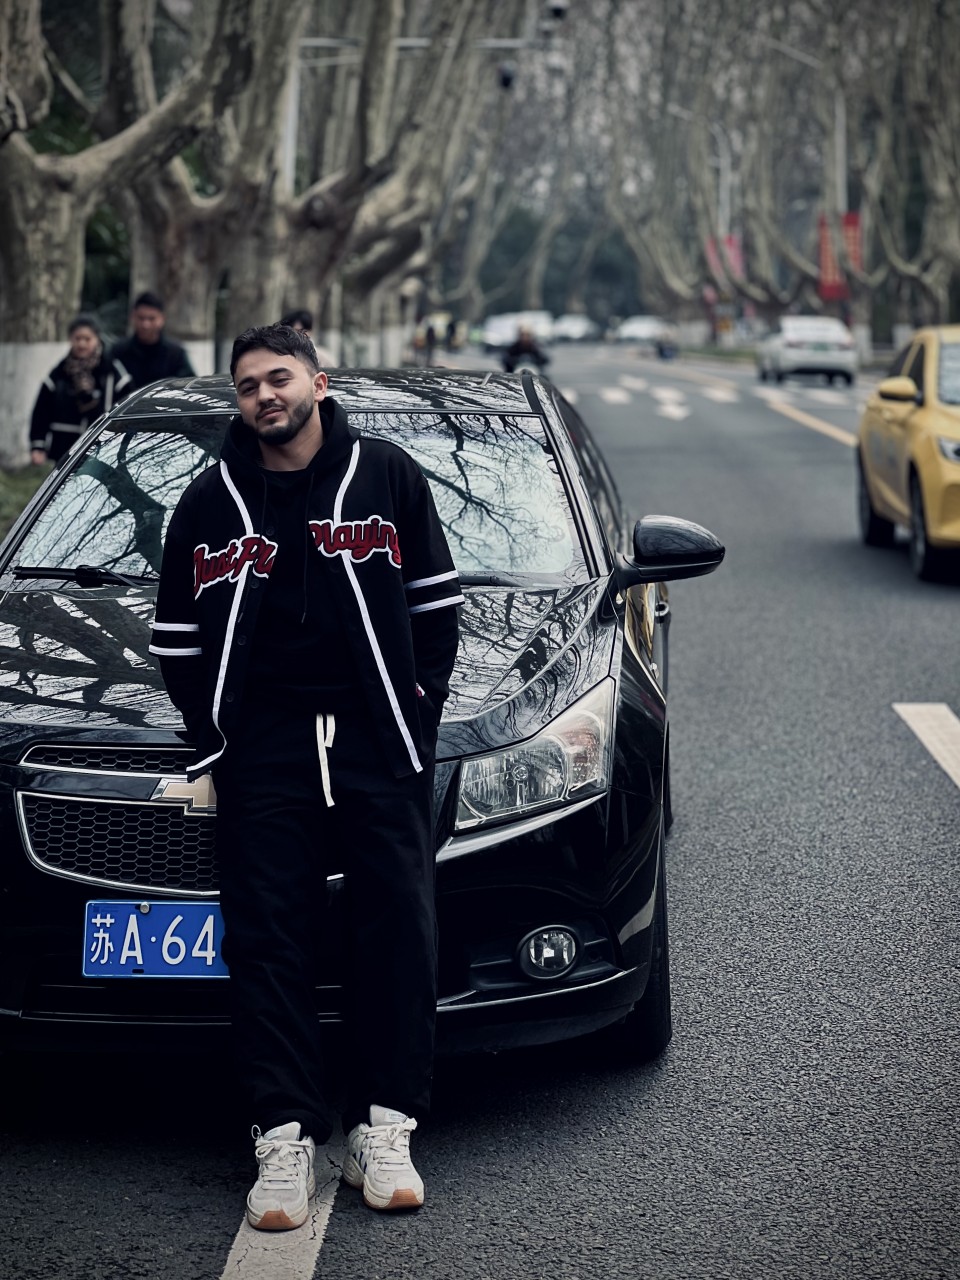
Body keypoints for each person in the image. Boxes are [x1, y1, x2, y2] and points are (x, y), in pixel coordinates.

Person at [149, 324, 461, 1230]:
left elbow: (436, 608)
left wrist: (414, 718)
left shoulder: (388, 476)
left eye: (278, 378)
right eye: (247, 386)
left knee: (396, 926)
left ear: (318, 383)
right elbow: (176, 637)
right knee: (267, 936)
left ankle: (384, 1128)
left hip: (376, 740)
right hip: (265, 749)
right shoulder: (209, 500)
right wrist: (216, 735)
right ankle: (282, 1137)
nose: (264, 396)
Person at [29, 313, 129, 463]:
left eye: (87, 339)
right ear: (71, 339)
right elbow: (42, 411)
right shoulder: (59, 373)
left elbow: (127, 404)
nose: (82, 344)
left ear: (97, 339)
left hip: (101, 447)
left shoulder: (111, 371)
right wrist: (38, 445)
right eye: (77, 339)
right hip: (64, 447)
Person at [109, 291, 195, 397]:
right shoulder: (119, 351)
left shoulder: (176, 354)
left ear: (162, 319)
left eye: (151, 319)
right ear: (133, 317)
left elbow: (190, 386)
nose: (146, 324)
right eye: (141, 318)